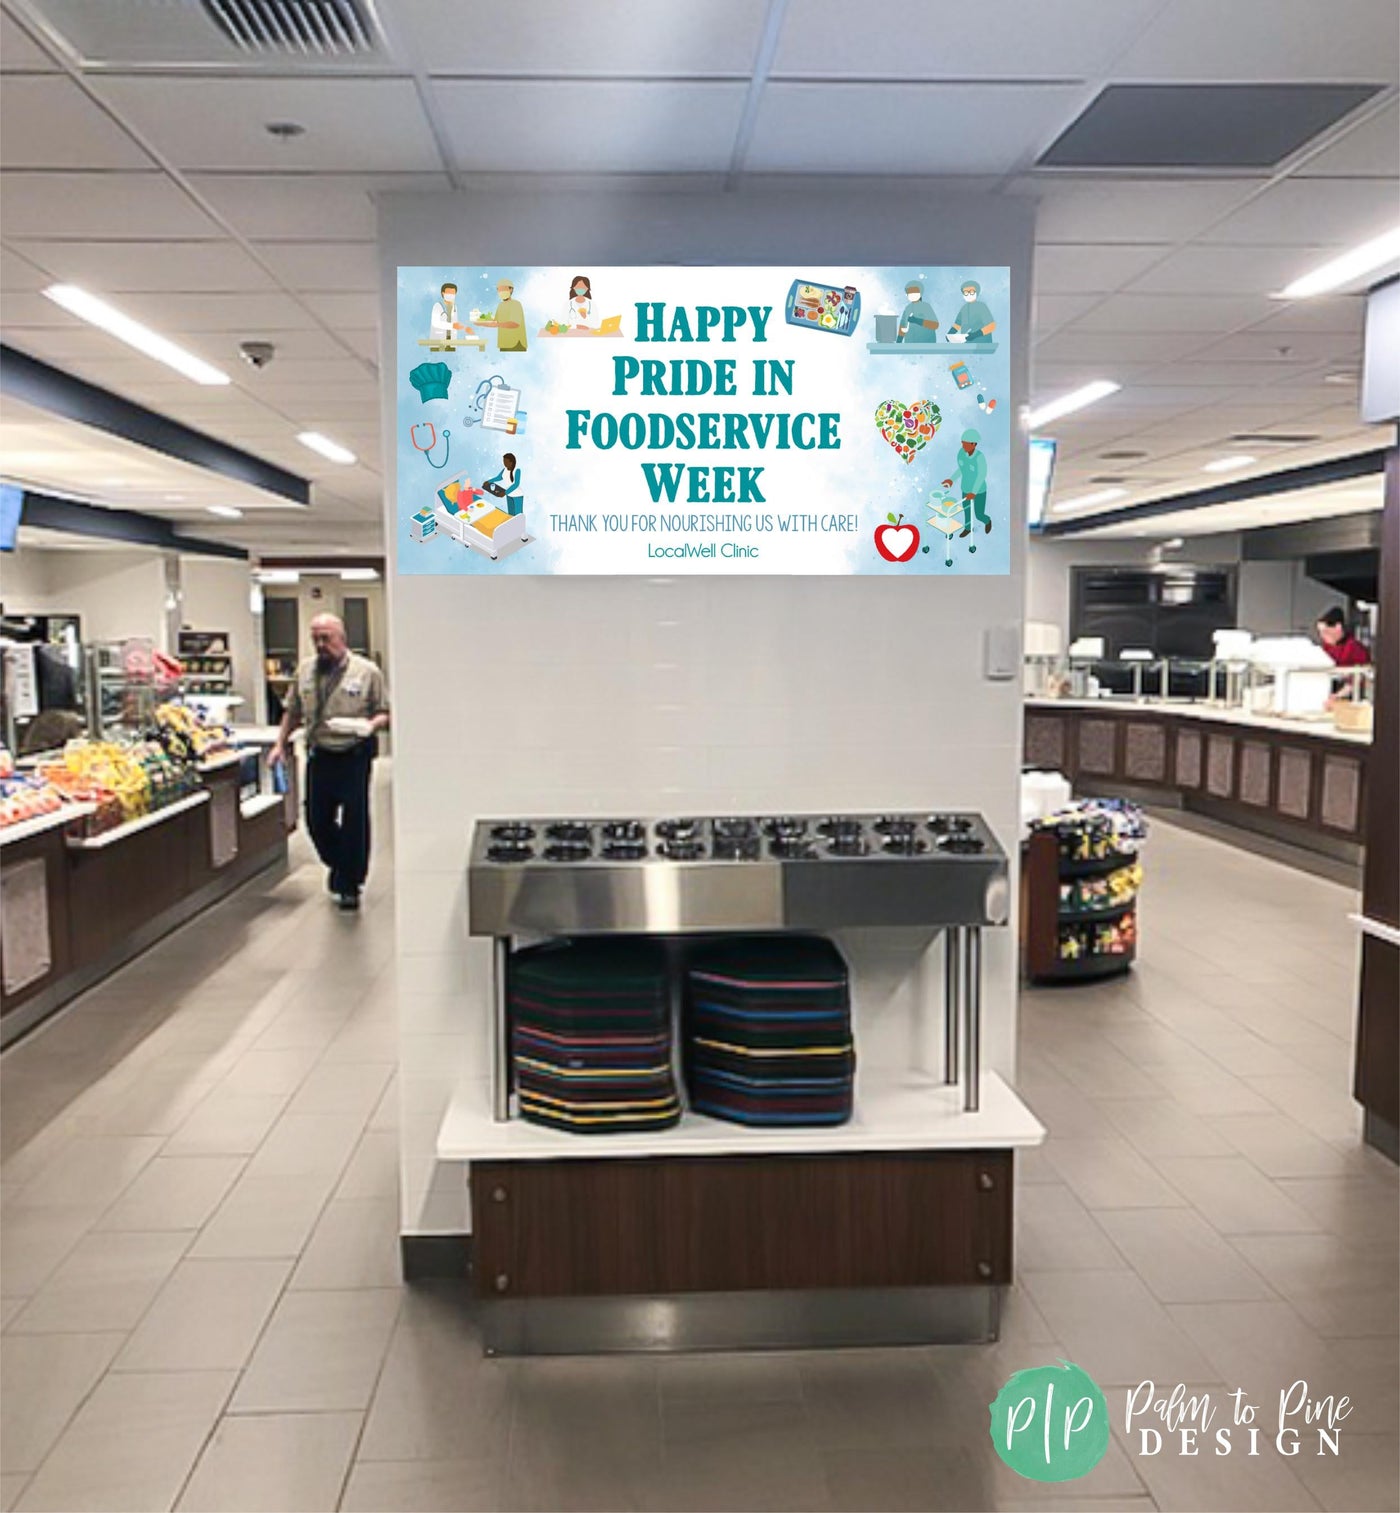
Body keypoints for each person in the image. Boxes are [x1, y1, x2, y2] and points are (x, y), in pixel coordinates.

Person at [269, 613, 390, 911]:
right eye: (316, 639)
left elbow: (385, 711)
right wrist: (279, 744)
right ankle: (341, 866)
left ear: (342, 638)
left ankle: (350, 884)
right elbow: (292, 711)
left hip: (353, 755)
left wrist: (370, 726)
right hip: (319, 754)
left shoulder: (366, 672)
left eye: (327, 638)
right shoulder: (306, 671)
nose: (321, 645)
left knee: (354, 822)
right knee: (316, 820)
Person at [942, 428, 991, 537]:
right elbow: (961, 469)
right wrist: (951, 480)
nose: (963, 446)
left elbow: (981, 475)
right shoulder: (961, 453)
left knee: (979, 515)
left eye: (966, 444)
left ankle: (987, 521)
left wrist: (974, 492)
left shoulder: (979, 458)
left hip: (979, 491)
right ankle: (968, 528)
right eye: (962, 443)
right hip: (965, 488)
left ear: (974, 444)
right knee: (967, 511)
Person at [476, 278, 527, 352]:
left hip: (516, 344)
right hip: (504, 343)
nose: (501, 292)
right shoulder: (500, 305)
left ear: (511, 289)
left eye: (503, 289)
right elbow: (495, 322)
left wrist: (496, 324)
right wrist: (481, 323)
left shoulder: (516, 304)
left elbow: (515, 324)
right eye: (499, 290)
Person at [947, 279, 997, 343]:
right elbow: (957, 324)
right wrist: (950, 334)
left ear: (977, 292)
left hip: (982, 341)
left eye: (971, 291)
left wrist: (975, 335)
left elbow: (991, 326)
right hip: (966, 341)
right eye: (965, 292)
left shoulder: (981, 307)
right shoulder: (964, 308)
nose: (968, 294)